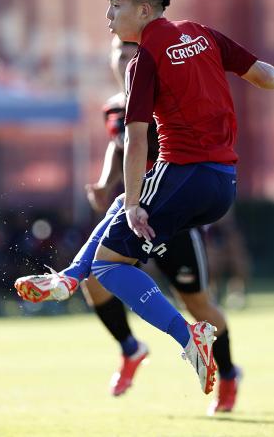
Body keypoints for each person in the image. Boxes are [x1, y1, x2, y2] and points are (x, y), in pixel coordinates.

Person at [15, 0, 274, 396]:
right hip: (221, 184)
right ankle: (69, 280)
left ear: (146, 10)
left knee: (110, 266)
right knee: (111, 238)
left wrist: (133, 202)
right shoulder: (202, 34)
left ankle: (189, 337)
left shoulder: (145, 60)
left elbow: (134, 141)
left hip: (181, 174)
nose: (109, 17)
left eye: (116, 6)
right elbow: (256, 69)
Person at [81, 36, 241, 413]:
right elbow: (119, 144)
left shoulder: (164, 97)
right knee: (95, 278)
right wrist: (106, 183)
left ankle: (230, 375)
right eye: (118, 53)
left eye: (132, 53)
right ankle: (131, 349)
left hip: (171, 217)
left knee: (198, 304)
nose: (124, 60)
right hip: (135, 212)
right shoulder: (116, 107)